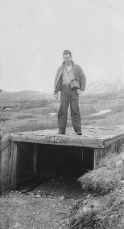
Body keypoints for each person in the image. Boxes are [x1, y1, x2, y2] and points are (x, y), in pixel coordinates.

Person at [54, 50, 86, 135]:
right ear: (63, 58)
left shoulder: (77, 67)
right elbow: (56, 80)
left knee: (75, 110)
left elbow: (83, 78)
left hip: (74, 90)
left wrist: (81, 89)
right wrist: (56, 92)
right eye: (65, 58)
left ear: (71, 57)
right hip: (64, 90)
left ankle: (78, 130)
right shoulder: (60, 68)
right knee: (62, 110)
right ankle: (61, 130)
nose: (66, 59)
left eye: (68, 57)